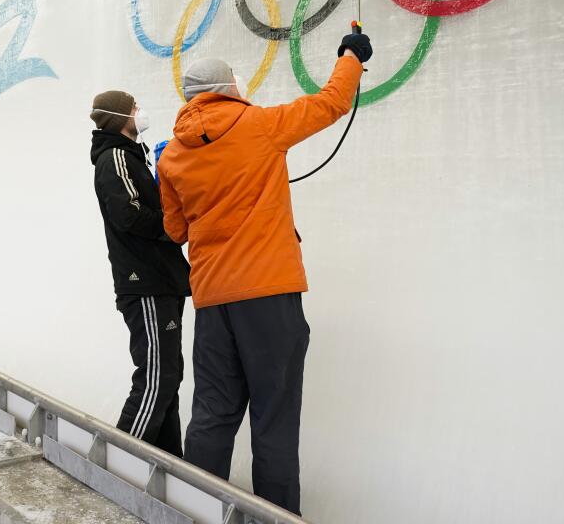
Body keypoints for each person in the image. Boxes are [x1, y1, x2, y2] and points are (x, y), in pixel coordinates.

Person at [156, 31, 373, 514]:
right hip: (269, 296)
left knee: (211, 416)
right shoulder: (262, 125)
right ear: (228, 88)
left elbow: (175, 231)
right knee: (273, 420)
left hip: (212, 301)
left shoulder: (171, 155)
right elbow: (332, 102)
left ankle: (195, 511)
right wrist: (352, 56)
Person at [89, 90, 192, 456]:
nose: (139, 112)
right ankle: (119, 462)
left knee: (169, 376)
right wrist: (173, 227)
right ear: (120, 117)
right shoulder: (115, 156)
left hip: (161, 279)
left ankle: (167, 463)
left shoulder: (133, 154)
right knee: (156, 377)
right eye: (134, 108)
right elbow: (128, 213)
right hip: (143, 280)